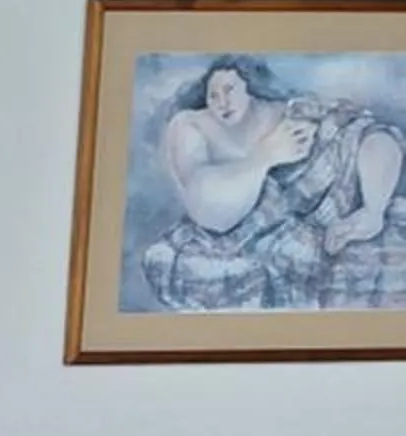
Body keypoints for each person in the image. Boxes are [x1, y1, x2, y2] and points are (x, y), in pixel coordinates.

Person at [143, 57, 406, 309]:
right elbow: (208, 210)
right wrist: (265, 157)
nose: (222, 102)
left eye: (229, 90)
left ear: (250, 87)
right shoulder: (191, 125)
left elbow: (372, 136)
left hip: (330, 219)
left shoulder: (298, 113)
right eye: (213, 95)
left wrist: (374, 210)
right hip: (241, 231)